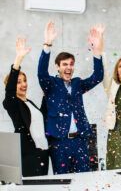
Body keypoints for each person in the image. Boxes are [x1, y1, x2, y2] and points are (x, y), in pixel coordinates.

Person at [37, 22, 104, 174]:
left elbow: (98, 77)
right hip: (59, 142)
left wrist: (97, 51)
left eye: (71, 64)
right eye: (65, 64)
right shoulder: (50, 84)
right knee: (62, 182)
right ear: (57, 66)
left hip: (80, 140)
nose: (68, 67)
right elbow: (41, 73)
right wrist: (47, 44)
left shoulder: (77, 83)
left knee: (83, 180)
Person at [3, 37, 49, 177]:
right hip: (29, 153)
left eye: (25, 81)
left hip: (43, 151)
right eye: (18, 82)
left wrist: (46, 95)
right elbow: (10, 91)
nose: (23, 84)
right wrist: (18, 59)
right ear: (11, 85)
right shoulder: (12, 104)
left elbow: (40, 120)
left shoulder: (30, 103)